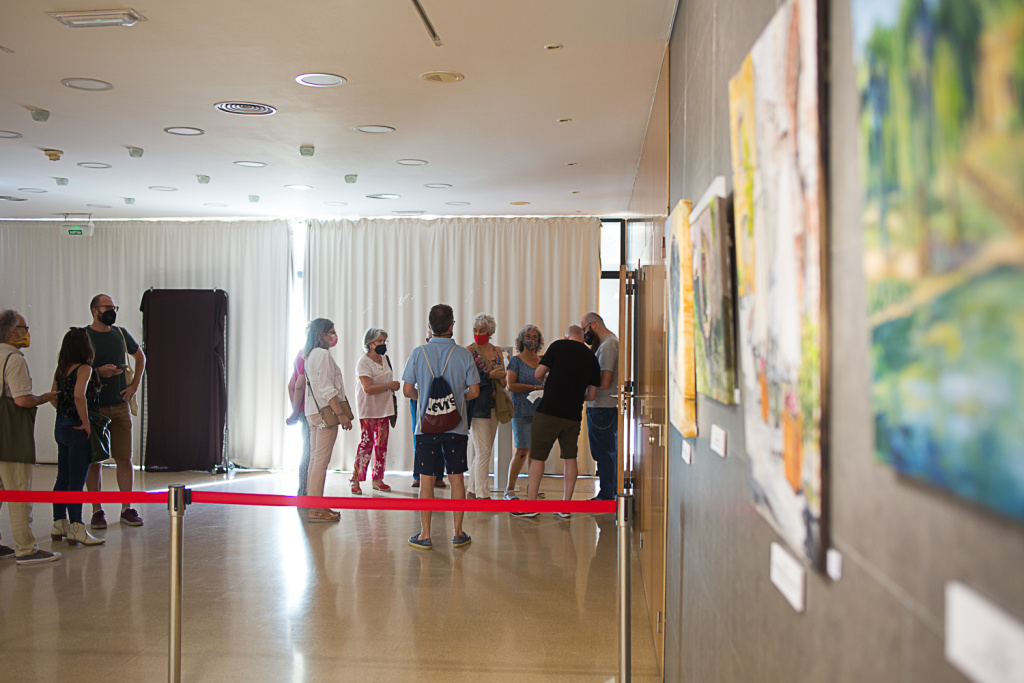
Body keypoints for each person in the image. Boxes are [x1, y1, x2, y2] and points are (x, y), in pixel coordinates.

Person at [402, 304, 479, 550]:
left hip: (426, 428)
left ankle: (425, 535)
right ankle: (457, 533)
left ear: (429, 326)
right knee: (457, 479)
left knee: (426, 480)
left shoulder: (418, 353)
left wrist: (426, 398)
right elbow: (474, 391)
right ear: (451, 326)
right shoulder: (464, 354)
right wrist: (454, 401)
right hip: (456, 428)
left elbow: (407, 391)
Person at [513, 325, 601, 519]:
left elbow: (538, 374)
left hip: (549, 411)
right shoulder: (593, 360)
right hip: (573, 416)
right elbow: (591, 394)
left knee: (537, 457)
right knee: (571, 459)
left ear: (566, 336)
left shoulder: (559, 346)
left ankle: (531, 504)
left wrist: (552, 382)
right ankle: (565, 506)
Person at [0, 310, 61, 565]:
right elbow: (22, 399)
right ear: (12, 332)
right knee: (18, 490)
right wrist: (44, 398)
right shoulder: (13, 359)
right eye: (24, 327)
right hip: (10, 436)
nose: (27, 332)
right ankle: (25, 548)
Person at [84, 294, 146, 528]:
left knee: (124, 458)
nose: (112, 311)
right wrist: (98, 373)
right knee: (95, 460)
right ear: (94, 310)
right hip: (94, 407)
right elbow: (74, 369)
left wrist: (134, 385)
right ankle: (96, 510)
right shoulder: (83, 336)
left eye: (114, 307)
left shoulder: (120, 333)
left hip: (120, 405)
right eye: (107, 307)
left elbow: (140, 356)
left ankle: (126, 507)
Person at [51, 327, 105, 546]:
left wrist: (64, 413)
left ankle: (58, 523)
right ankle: (76, 527)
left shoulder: (61, 369)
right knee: (77, 479)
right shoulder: (85, 368)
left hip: (61, 425)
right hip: (77, 428)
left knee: (62, 476)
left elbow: (54, 396)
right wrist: (84, 421)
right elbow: (79, 396)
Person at [303, 318, 354, 522]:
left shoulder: (310, 355)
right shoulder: (322, 355)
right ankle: (316, 509)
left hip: (312, 412)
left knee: (315, 460)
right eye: (331, 332)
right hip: (325, 412)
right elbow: (327, 388)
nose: (334, 336)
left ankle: (314, 505)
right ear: (321, 334)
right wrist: (341, 414)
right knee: (320, 461)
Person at [352, 327, 400, 494]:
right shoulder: (363, 362)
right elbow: (367, 388)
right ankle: (356, 479)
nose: (383, 344)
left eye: (384, 341)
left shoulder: (385, 358)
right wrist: (389, 385)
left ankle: (378, 478)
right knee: (366, 444)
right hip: (368, 409)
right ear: (369, 343)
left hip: (384, 408)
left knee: (382, 445)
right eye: (379, 341)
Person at [465, 313, 505, 499]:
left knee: (483, 450)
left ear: (490, 332)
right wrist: (489, 376)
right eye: (475, 330)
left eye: (482, 330)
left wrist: (500, 375)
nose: (478, 333)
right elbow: (466, 379)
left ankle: (472, 490)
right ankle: (482, 493)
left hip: (495, 404)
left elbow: (504, 382)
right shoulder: (468, 351)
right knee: (483, 451)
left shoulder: (497, 351)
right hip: (478, 404)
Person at [503, 324, 545, 500]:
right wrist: (535, 386)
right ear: (522, 340)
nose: (532, 340)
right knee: (522, 450)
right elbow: (510, 385)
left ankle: (532, 488)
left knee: (536, 452)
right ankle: (509, 489)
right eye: (528, 336)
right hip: (521, 410)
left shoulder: (542, 361)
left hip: (541, 411)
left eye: (535, 337)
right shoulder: (516, 361)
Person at [581, 312, 619, 501]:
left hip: (603, 406)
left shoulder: (609, 345)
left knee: (604, 453)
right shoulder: (604, 345)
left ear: (593, 326)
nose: (584, 334)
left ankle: (606, 495)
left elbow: (604, 380)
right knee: (603, 452)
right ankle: (609, 492)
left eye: (584, 330)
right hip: (599, 405)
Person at [411, 330, 447, 490]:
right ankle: (418, 475)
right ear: (428, 338)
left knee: (441, 435)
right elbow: (409, 385)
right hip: (420, 399)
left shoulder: (449, 353)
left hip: (442, 398)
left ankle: (438, 475)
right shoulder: (420, 353)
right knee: (420, 436)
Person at [286, 350, 312, 497]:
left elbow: (291, 386)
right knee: (310, 453)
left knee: (308, 450)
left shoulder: (300, 353)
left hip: (303, 413)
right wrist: (295, 413)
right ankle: (304, 492)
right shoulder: (309, 354)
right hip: (312, 414)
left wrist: (296, 412)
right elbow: (298, 386)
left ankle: (304, 490)